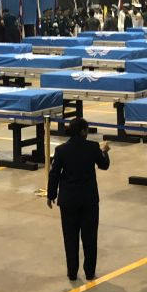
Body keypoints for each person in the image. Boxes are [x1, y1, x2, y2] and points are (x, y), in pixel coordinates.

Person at [46, 117, 111, 282]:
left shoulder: (61, 150)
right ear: (83, 131)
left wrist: (51, 195)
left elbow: (54, 174)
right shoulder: (92, 147)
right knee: (90, 238)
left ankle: (72, 272)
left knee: (70, 238)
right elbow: (104, 165)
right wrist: (104, 152)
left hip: (68, 200)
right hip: (88, 200)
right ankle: (89, 272)